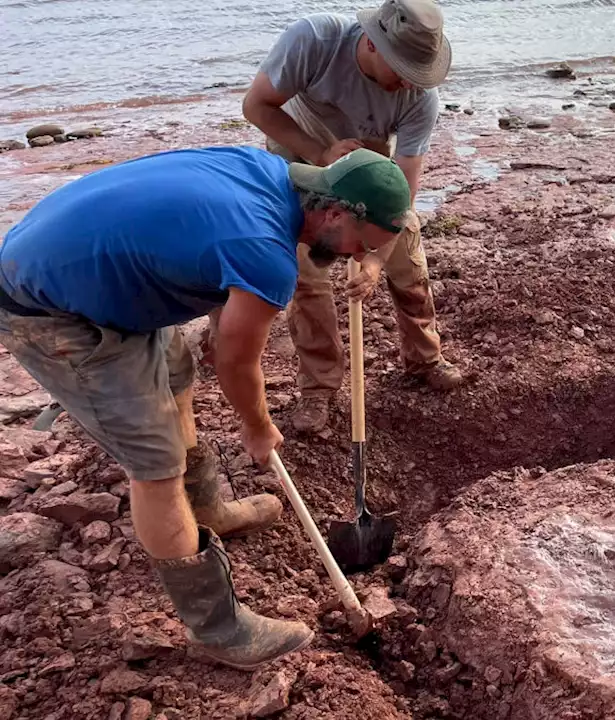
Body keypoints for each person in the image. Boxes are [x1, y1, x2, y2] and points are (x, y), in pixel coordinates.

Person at [0, 145, 412, 669]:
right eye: (362, 243)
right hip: (51, 308)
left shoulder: (267, 172)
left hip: (86, 271)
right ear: (334, 211)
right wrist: (259, 428)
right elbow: (237, 365)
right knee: (155, 465)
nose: (358, 256)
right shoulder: (264, 250)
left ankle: (208, 511)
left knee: (176, 373)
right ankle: (218, 630)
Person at [239, 0, 463, 434]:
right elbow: (257, 106)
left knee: (408, 258)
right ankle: (318, 388)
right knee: (306, 274)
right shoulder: (314, 40)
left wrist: (376, 260)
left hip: (372, 168)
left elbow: (404, 194)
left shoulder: (419, 99)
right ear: (373, 44)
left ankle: (424, 358)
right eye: (402, 69)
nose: (407, 82)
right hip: (301, 156)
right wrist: (320, 153)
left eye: (418, 74)